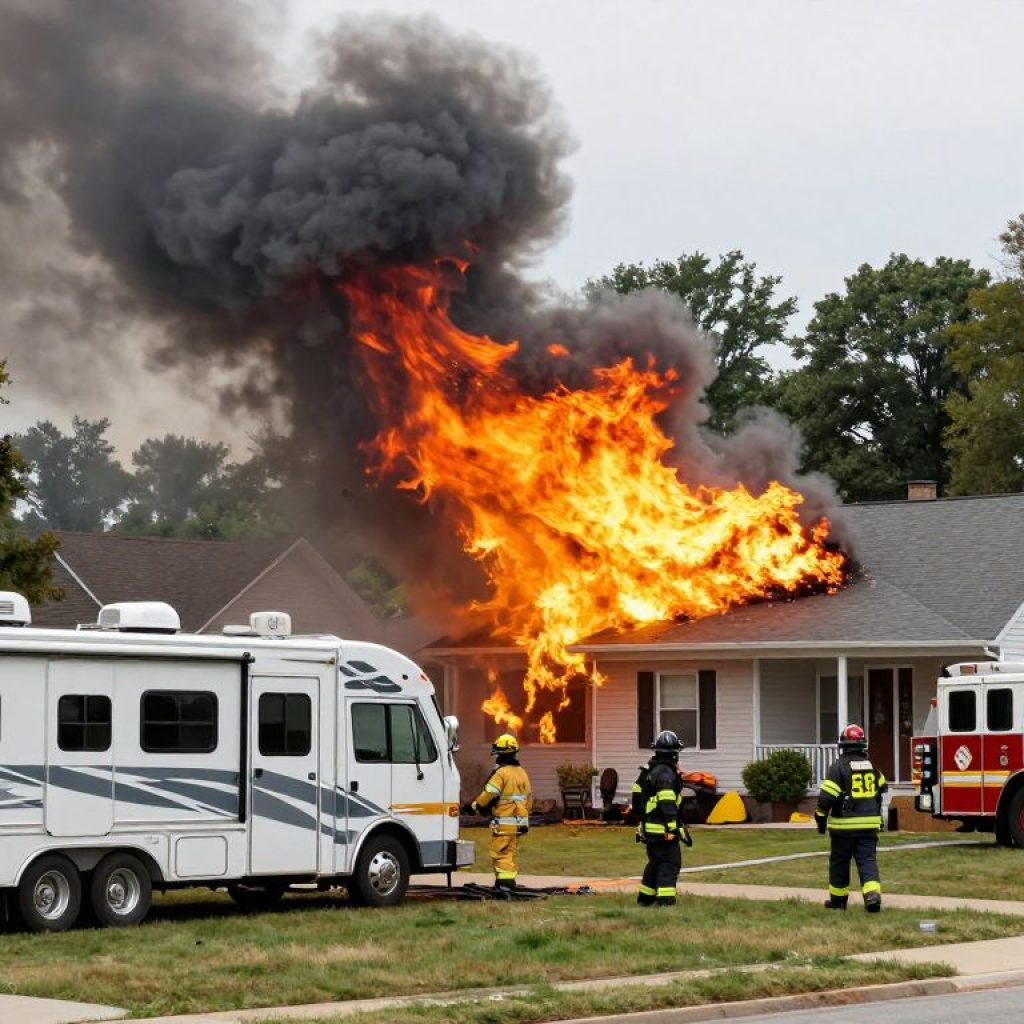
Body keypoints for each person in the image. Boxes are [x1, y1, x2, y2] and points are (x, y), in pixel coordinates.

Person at [814, 723, 888, 912]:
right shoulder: (872, 767)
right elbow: (881, 789)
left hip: (843, 827)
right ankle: (872, 896)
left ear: (842, 746)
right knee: (867, 860)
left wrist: (820, 820)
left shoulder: (838, 768)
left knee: (840, 863)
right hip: (869, 826)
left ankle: (838, 902)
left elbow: (826, 798)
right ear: (864, 746)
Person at [632, 730, 687, 906]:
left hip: (650, 830)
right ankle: (665, 901)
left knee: (655, 863)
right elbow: (667, 803)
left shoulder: (650, 770)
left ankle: (646, 898)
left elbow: (636, 797)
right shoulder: (665, 774)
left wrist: (643, 821)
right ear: (674, 752)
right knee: (670, 863)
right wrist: (673, 827)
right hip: (663, 831)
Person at [472, 733, 533, 890]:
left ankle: (505, 884)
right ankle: (508, 882)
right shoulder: (522, 773)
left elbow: (489, 794)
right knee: (510, 853)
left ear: (501, 754)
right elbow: (529, 799)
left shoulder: (501, 773)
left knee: (501, 853)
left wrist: (476, 806)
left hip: (505, 823)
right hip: (519, 823)